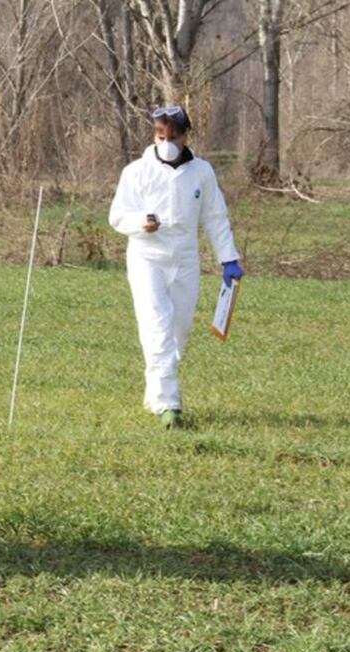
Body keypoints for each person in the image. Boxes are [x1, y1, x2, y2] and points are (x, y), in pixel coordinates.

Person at [109, 105, 244, 429]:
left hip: (185, 261)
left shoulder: (202, 173)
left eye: (173, 136)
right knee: (157, 329)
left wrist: (228, 258)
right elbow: (117, 216)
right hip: (147, 259)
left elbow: (214, 217)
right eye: (160, 136)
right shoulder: (136, 172)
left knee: (178, 332)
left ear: (185, 136)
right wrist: (141, 223)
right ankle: (169, 406)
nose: (166, 143)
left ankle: (155, 390)